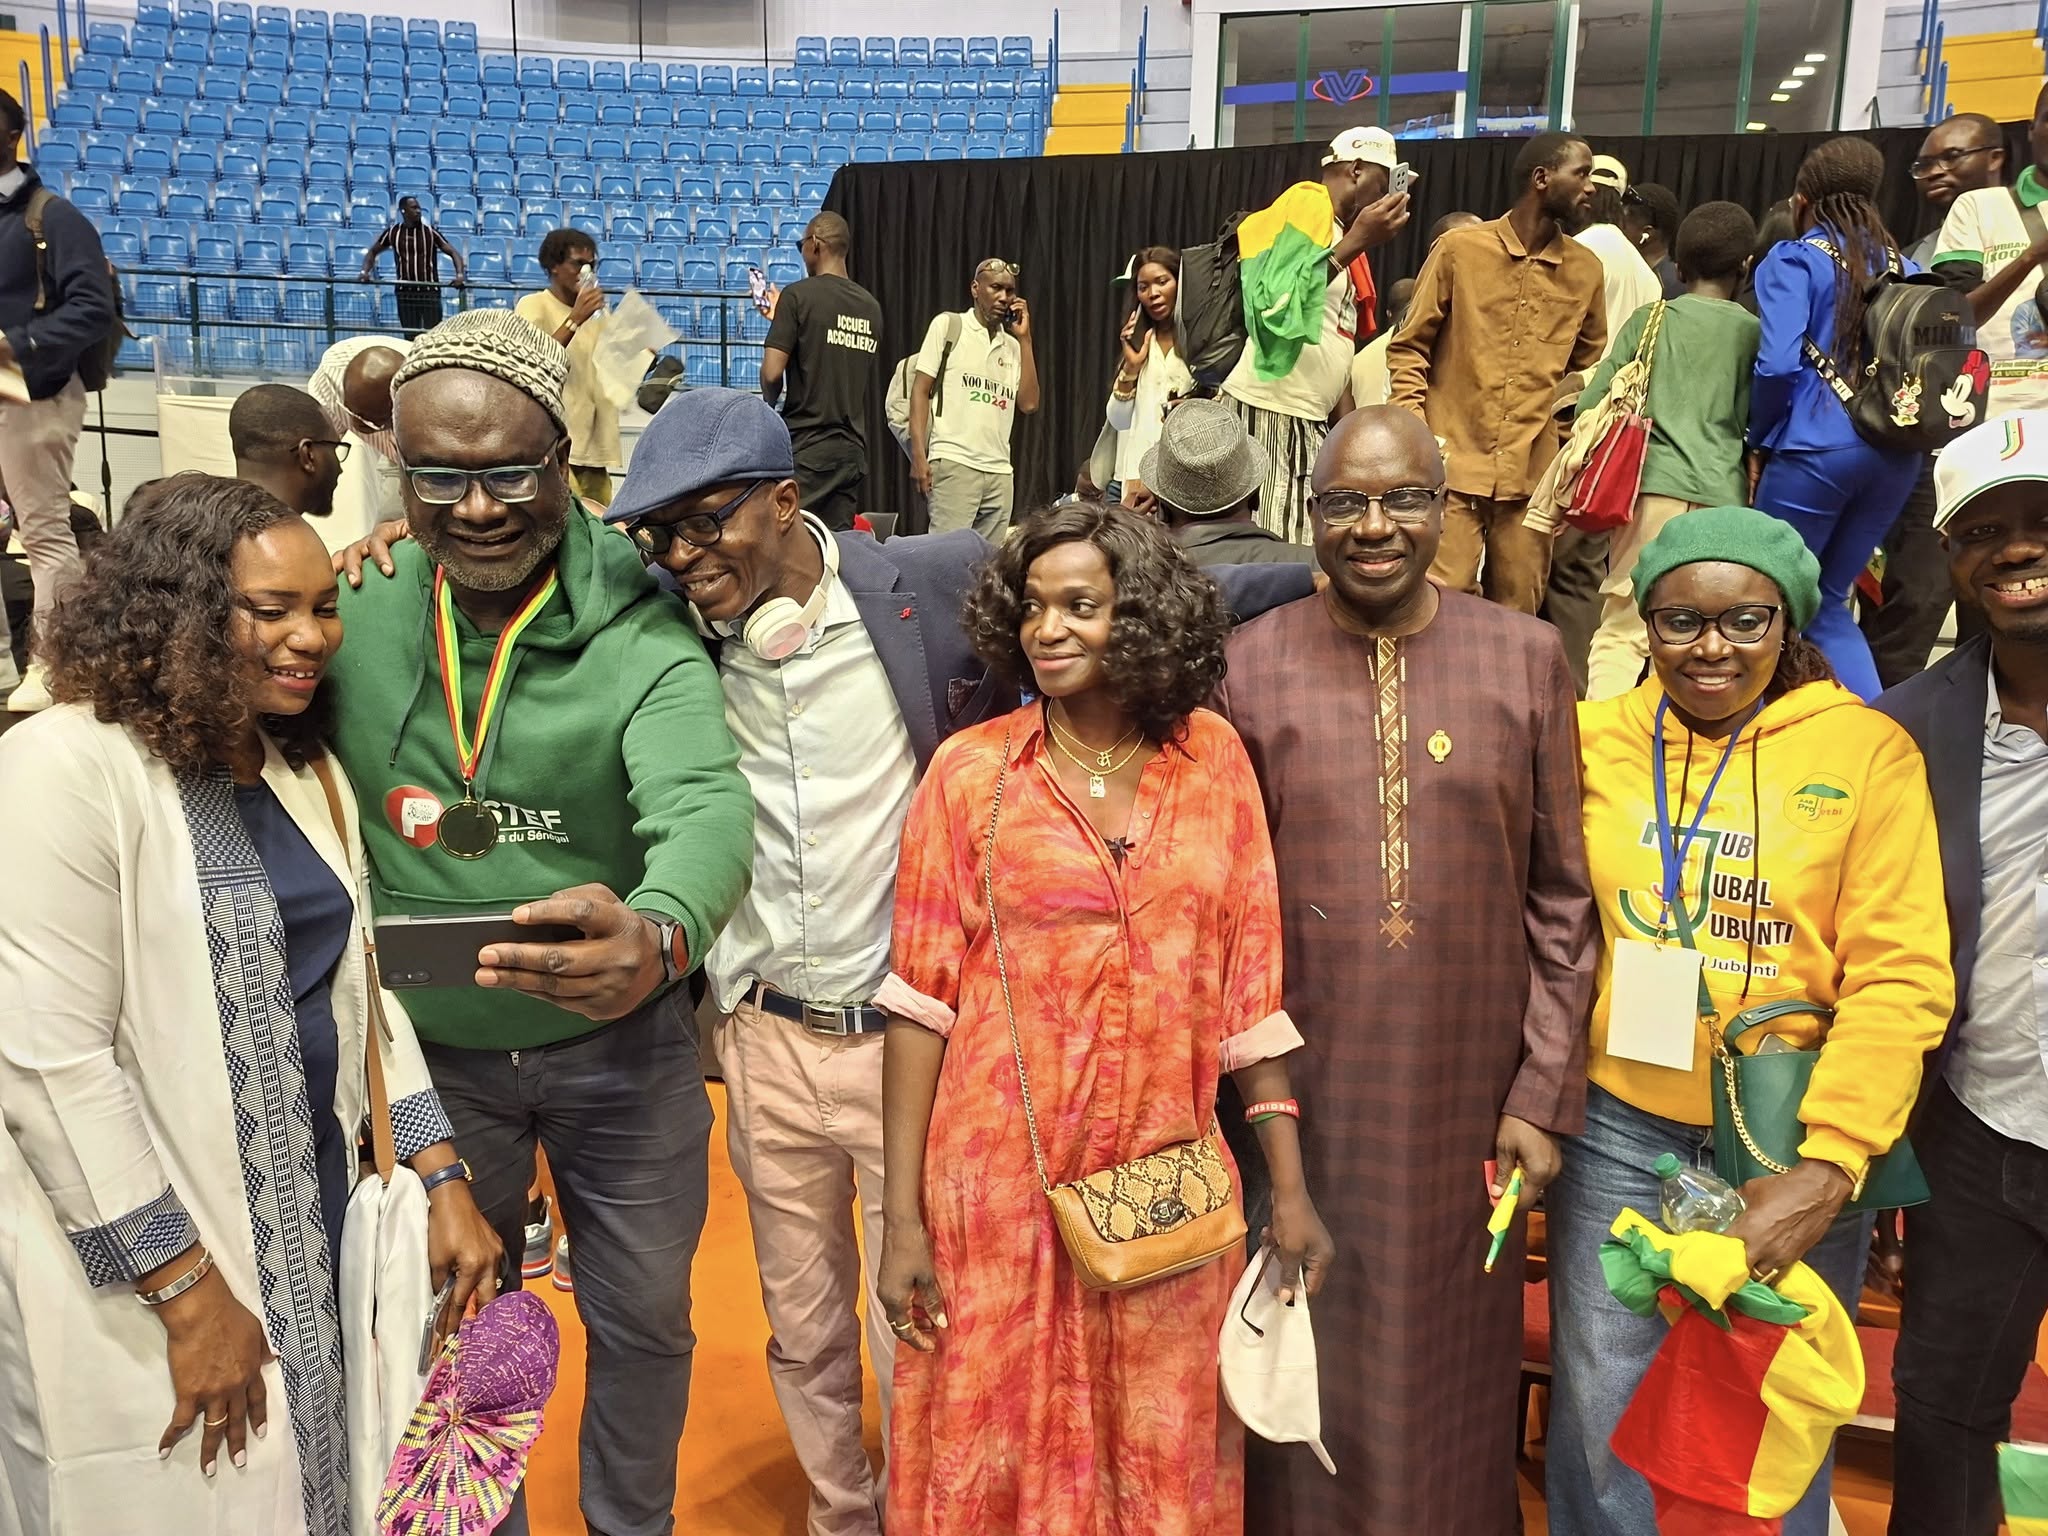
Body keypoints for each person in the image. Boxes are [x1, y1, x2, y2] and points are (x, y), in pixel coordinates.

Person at [0, 472, 501, 1534]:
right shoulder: (64, 765)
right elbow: (49, 1059)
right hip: (138, 1255)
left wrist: (442, 1172)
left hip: (312, 1213)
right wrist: (185, 1294)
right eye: (270, 609)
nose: (310, 637)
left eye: (321, 607)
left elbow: (363, 989)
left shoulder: (301, 769)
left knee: (319, 1483)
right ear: (175, 610)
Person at [323, 308, 755, 1536]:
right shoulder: (352, 603)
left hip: (621, 1049)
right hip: (427, 1063)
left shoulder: (640, 621)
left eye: (510, 472)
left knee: (646, 1324)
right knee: (453, 1322)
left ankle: (631, 1526)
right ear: (394, 465)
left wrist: (660, 932)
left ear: (565, 460)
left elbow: (704, 805)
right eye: (437, 477)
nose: (475, 508)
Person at [598, 386, 1015, 1536]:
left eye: (705, 522)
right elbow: (529, 555)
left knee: (916, 1311)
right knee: (802, 1324)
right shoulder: (670, 620)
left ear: (786, 503)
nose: (683, 556)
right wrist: (396, 531)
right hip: (762, 1042)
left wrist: (1316, 573)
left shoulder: (932, 583)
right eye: (660, 534)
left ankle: (918, 1511)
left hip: (907, 1051)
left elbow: (1116, 577)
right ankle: (842, 1515)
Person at [878, 501, 1334, 1535]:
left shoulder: (1212, 763)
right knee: (993, 1432)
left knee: (1157, 1442)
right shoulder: (972, 775)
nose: (1049, 630)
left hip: (1164, 1183)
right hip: (998, 1186)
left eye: (1079, 605)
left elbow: (1249, 994)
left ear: (1138, 616)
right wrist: (902, 1220)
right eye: (1032, 607)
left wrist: (1290, 1188)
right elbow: (919, 1004)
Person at [1218, 406, 1598, 1536]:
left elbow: (1562, 898)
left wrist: (1540, 1093)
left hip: (1467, 1107)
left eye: (1402, 500)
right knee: (1303, 1358)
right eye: (1345, 502)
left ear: (1445, 509)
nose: (1373, 526)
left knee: (1447, 1373)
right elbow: (1224, 916)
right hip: (1303, 1106)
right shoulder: (1246, 668)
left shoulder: (1525, 657)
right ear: (1308, 514)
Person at [1548, 503, 1951, 1536]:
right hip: (1619, 1124)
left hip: (1788, 1138)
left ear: (1788, 623)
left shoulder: (1866, 752)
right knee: (1602, 1405)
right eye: (1680, 620)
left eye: (1744, 620)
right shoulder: (1591, 740)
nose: (1711, 648)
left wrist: (1831, 1166)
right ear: (1646, 623)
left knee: (1771, 1414)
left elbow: (1900, 975)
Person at [1876, 415, 2048, 1536]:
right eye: (1984, 530)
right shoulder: (1907, 729)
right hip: (1988, 1134)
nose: (2016, 548)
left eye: (2042, 520)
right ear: (1948, 556)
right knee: (1942, 1415)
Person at [1388, 132, 1607, 616]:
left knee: (1518, 615)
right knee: (1438, 607)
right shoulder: (1459, 250)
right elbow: (1408, 347)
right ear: (1542, 178)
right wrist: (1417, 434)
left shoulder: (1586, 270)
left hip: (1531, 480)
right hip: (1450, 469)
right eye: (1582, 173)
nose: (1591, 187)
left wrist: (1563, 451)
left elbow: (1587, 369)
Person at [1750, 136, 1921, 702]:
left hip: (1814, 451)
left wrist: (1759, 438)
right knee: (1826, 600)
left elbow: (1777, 364)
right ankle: (1874, 727)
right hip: (1895, 456)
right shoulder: (1908, 267)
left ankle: (1760, 729)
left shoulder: (1794, 259)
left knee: (1769, 595)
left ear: (1803, 201)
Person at [1581, 202, 1762, 700]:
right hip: (1723, 500)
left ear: (1679, 269)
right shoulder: (1752, 332)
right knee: (1702, 627)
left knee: (1623, 626)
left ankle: (1599, 736)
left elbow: (1593, 403)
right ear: (1745, 267)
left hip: (1650, 492)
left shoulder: (1651, 319)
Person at [1862, 114, 2009, 689]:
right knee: (1915, 597)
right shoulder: (1914, 252)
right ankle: (1879, 723)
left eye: (1951, 157)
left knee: (1995, 605)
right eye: (1925, 163)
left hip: (2019, 438)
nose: (1934, 172)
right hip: (1935, 445)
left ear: (1995, 157)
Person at [1223, 126, 1411, 544]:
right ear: (1357, 169)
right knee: (1276, 543)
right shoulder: (1309, 201)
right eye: (1384, 182)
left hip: (1305, 417)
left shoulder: (1340, 234)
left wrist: (1349, 431)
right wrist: (1359, 240)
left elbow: (1334, 339)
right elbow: (1277, 302)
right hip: (1271, 407)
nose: (1386, 196)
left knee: (1303, 541)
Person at [0, 85, 112, 715]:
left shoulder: (53, 216)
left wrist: (13, 347)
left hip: (31, 388)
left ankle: (52, 666)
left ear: (13, 135)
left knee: (43, 531)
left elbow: (93, 308)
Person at [1545, 152, 1668, 693]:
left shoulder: (1582, 251)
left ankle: (1562, 700)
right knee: (1586, 576)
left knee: (1548, 569)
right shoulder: (1645, 273)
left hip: (1571, 428)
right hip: (1620, 445)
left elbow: (1556, 344)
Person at [1931, 84, 2048, 425]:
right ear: (2032, 129)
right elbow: (1956, 317)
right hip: (1994, 416)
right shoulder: (1978, 207)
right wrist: (2031, 256)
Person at [761, 211, 884, 532]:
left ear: (815, 243)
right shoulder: (871, 307)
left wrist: (768, 404)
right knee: (835, 546)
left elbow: (772, 373)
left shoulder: (797, 296)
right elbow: (832, 354)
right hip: (852, 453)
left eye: (801, 244)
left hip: (808, 447)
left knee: (785, 539)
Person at [907, 258, 1039, 537]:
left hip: (1000, 471)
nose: (1004, 297)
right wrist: (918, 455)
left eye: (1009, 290)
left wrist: (1025, 340)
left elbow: (1029, 404)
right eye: (996, 288)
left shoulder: (1012, 346)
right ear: (975, 288)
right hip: (954, 462)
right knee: (947, 556)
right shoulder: (949, 325)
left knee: (990, 560)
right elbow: (920, 391)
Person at [514, 227, 620, 508]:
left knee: (601, 522)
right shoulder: (533, 305)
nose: (586, 272)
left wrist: (644, 352)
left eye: (591, 265)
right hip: (556, 445)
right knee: (565, 520)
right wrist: (575, 319)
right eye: (578, 264)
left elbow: (614, 364)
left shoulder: (599, 314)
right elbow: (531, 361)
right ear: (554, 266)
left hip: (593, 447)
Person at [1144, 395, 1313, 567]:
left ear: (1161, 508)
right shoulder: (1316, 567)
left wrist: (1129, 528)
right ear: (1255, 497)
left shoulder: (1146, 575)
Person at [1104, 245, 1193, 511]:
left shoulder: (1200, 342)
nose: (1153, 293)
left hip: (1186, 474)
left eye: (1162, 282)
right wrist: (1131, 368)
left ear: (1180, 282)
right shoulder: (1141, 343)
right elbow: (1118, 420)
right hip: (1138, 475)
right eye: (1143, 287)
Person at [308, 335, 409, 555]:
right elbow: (317, 446)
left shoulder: (428, 388)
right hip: (397, 457)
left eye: (377, 421)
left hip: (412, 458)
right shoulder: (333, 374)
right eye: (352, 412)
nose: (358, 424)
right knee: (385, 535)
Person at [230, 383, 348, 521]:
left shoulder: (213, 518)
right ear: (308, 456)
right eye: (334, 449)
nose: (340, 470)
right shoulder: (290, 533)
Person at [359, 196, 465, 338]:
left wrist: (459, 274)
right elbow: (372, 252)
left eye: (419, 208)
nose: (418, 211)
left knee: (433, 335)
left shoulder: (430, 232)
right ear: (403, 211)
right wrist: (365, 271)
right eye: (414, 208)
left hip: (429, 292)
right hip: (405, 293)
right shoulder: (393, 232)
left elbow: (453, 252)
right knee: (410, 336)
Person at [1622, 181, 1685, 298]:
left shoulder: (1670, 288)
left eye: (1623, 225)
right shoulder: (1626, 275)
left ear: (1647, 233)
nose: (1616, 231)